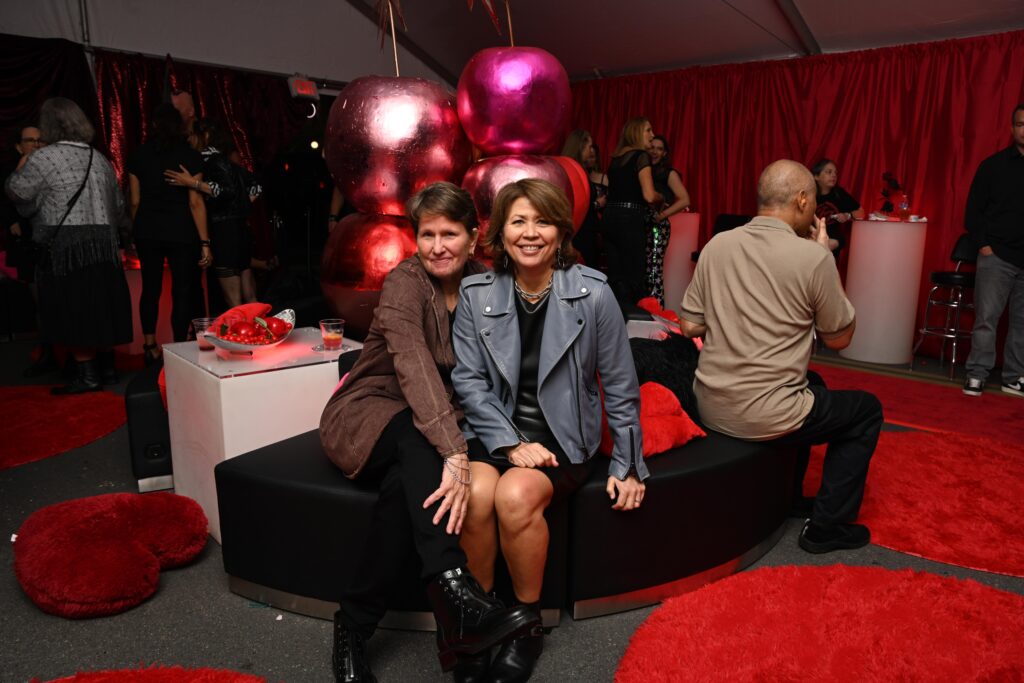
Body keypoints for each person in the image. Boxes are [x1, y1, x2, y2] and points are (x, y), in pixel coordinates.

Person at [319, 182, 539, 683]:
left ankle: (352, 624)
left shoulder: (487, 283)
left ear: (473, 236)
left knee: (408, 485)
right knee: (423, 446)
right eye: (427, 234)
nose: (438, 245)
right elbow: (414, 366)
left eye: (450, 233)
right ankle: (453, 588)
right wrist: (456, 454)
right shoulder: (404, 283)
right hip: (371, 411)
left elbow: (500, 369)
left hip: (440, 419)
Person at [453, 178, 646, 682]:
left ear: (562, 231)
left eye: (543, 221)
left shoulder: (593, 294)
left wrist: (627, 464)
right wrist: (511, 442)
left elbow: (621, 385)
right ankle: (481, 620)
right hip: (496, 431)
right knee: (474, 497)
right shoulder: (477, 294)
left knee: (515, 498)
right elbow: (468, 381)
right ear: (501, 231)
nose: (530, 232)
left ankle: (525, 627)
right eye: (518, 221)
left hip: (563, 438)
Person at [680, 160, 881, 554]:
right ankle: (827, 527)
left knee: (814, 386)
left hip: (711, 402)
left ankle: (788, 499)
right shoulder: (813, 258)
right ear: (803, 200)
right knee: (866, 410)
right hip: (766, 413)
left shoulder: (718, 244)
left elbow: (690, 326)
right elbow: (840, 337)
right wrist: (825, 257)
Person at [5, 98, 132, 394]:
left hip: (66, 246)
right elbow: (119, 206)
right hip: (103, 244)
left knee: (74, 307)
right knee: (100, 304)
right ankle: (108, 368)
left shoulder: (43, 157)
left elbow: (17, 191)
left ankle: (88, 376)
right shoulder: (100, 158)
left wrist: (20, 169)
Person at [127, 103, 211, 363]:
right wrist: (205, 242)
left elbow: (134, 201)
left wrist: (136, 229)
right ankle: (177, 347)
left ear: (153, 126)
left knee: (150, 289)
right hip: (181, 230)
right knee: (182, 290)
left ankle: (150, 345)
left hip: (148, 229)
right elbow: (195, 202)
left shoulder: (138, 156)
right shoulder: (190, 156)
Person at [963, 104, 1024, 398]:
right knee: (986, 319)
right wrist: (983, 246)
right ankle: (976, 374)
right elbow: (973, 210)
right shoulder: (993, 166)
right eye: (1021, 124)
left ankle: (1014, 377)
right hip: (996, 255)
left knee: (1022, 324)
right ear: (1012, 129)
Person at [164, 118, 258, 308]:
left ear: (204, 135)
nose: (189, 140)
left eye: (192, 135)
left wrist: (194, 183)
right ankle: (259, 335)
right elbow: (256, 187)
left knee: (234, 302)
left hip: (224, 231)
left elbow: (226, 190)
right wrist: (240, 205)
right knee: (250, 297)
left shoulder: (207, 159)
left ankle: (243, 337)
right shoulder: (229, 162)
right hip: (241, 230)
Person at [4, 124, 59, 376]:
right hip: (28, 245)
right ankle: (48, 353)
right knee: (41, 302)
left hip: (54, 243)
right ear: (19, 146)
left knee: (59, 301)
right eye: (30, 141)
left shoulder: (53, 168)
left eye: (40, 140)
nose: (37, 145)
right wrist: (10, 221)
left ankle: (67, 353)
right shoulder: (12, 173)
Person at [604, 117, 662, 308]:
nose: (652, 136)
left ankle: (613, 323)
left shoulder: (615, 159)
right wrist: (661, 198)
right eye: (648, 130)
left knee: (616, 275)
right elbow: (648, 195)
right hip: (630, 219)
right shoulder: (640, 156)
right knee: (634, 274)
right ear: (637, 132)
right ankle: (634, 328)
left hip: (609, 217)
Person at [647, 135, 691, 304]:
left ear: (665, 153)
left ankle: (655, 311)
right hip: (642, 226)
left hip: (658, 228)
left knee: (654, 272)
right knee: (644, 271)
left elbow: (685, 199)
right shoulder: (644, 170)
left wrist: (662, 215)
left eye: (659, 149)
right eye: (652, 148)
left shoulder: (668, 173)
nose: (655, 152)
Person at [560, 129, 603, 267]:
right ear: (580, 146)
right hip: (580, 233)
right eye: (589, 146)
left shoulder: (571, 168)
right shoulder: (575, 171)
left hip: (579, 232)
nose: (592, 151)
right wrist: (597, 204)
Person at [811, 158, 864, 261]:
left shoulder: (839, 194)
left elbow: (861, 212)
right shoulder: (808, 194)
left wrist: (848, 215)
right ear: (816, 176)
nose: (834, 175)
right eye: (829, 172)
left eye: (835, 173)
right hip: (811, 236)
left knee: (839, 239)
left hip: (832, 239)